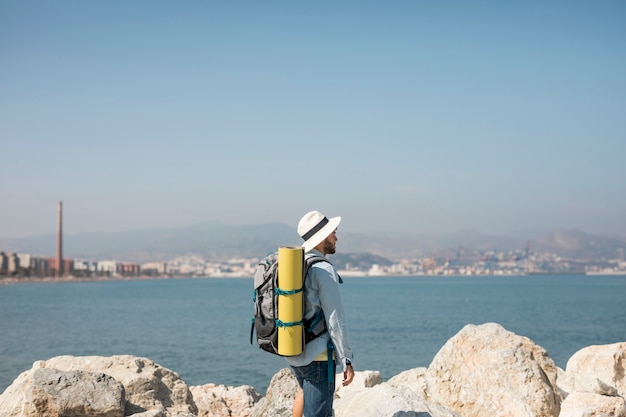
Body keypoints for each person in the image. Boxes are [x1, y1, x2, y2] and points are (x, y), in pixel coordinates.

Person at [286, 210, 355, 417]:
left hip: (295, 350)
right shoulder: (322, 269)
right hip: (319, 356)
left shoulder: (297, 264)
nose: (336, 237)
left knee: (303, 393)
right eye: (333, 233)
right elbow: (335, 319)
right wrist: (347, 360)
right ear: (324, 237)